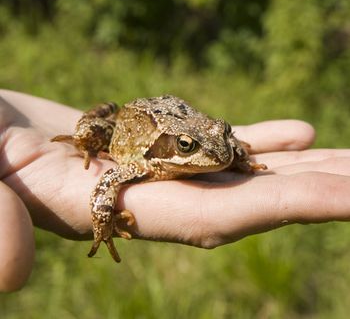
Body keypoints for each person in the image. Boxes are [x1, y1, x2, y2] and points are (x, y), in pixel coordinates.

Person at [0, 89, 349, 292]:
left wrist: (239, 157)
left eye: (222, 133)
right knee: (88, 132)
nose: (217, 155)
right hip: (139, 127)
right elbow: (105, 182)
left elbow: (224, 146)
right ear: (174, 146)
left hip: (173, 115)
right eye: (186, 147)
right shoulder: (141, 164)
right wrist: (103, 226)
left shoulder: (218, 145)